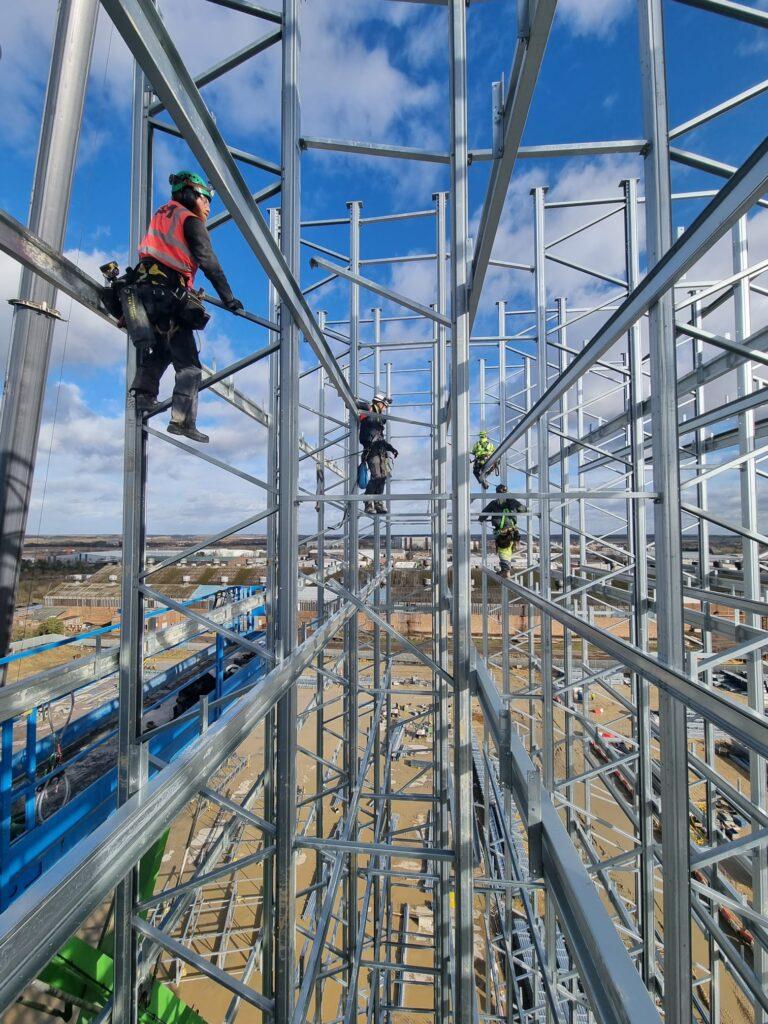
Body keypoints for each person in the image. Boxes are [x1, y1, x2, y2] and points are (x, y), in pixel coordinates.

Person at [128, 170, 243, 443]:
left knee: (161, 349)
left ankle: (143, 397)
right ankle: (183, 420)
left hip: (143, 291)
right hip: (168, 293)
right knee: (190, 366)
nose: (207, 207)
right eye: (205, 199)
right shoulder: (189, 220)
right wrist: (229, 298)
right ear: (193, 195)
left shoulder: (163, 214)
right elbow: (208, 261)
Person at [358, 391, 398, 514]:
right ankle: (368, 502)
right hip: (372, 451)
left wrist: (391, 448)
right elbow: (352, 404)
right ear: (379, 403)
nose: (385, 408)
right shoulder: (369, 410)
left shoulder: (380, 421)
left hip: (381, 452)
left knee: (383, 477)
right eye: (384, 405)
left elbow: (380, 438)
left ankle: (378, 502)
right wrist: (354, 402)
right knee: (376, 476)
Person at [479, 483, 526, 578]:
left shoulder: (494, 503)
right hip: (513, 532)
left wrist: (482, 519)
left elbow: (483, 516)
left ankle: (505, 571)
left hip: (502, 532)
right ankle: (506, 570)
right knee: (508, 551)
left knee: (503, 551)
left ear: (497, 493)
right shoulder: (512, 502)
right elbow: (523, 509)